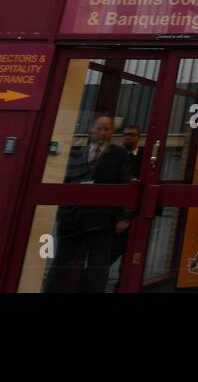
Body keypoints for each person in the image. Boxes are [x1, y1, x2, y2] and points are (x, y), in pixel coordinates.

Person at [44, 115, 131, 293]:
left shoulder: (119, 155)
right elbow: (65, 181)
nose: (102, 132)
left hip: (102, 218)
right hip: (74, 217)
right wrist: (63, 210)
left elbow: (125, 184)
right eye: (99, 128)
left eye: (107, 129)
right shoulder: (76, 153)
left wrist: (123, 217)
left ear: (112, 133)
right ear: (91, 130)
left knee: (97, 265)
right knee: (63, 261)